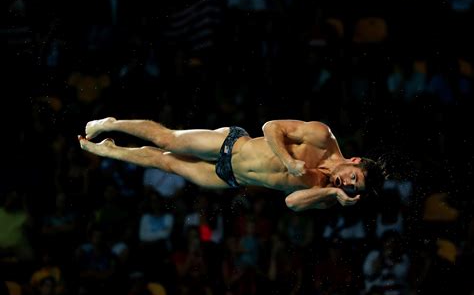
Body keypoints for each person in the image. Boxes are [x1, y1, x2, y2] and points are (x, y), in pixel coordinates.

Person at [78, 118, 386, 211]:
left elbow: (292, 202)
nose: (346, 184)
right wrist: (288, 160)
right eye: (353, 178)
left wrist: (330, 195)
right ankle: (112, 123)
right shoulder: (321, 136)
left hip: (230, 178)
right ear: (355, 161)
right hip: (231, 145)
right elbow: (270, 127)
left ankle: (110, 151)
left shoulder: (325, 191)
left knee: (167, 165)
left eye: (352, 187)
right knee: (169, 141)